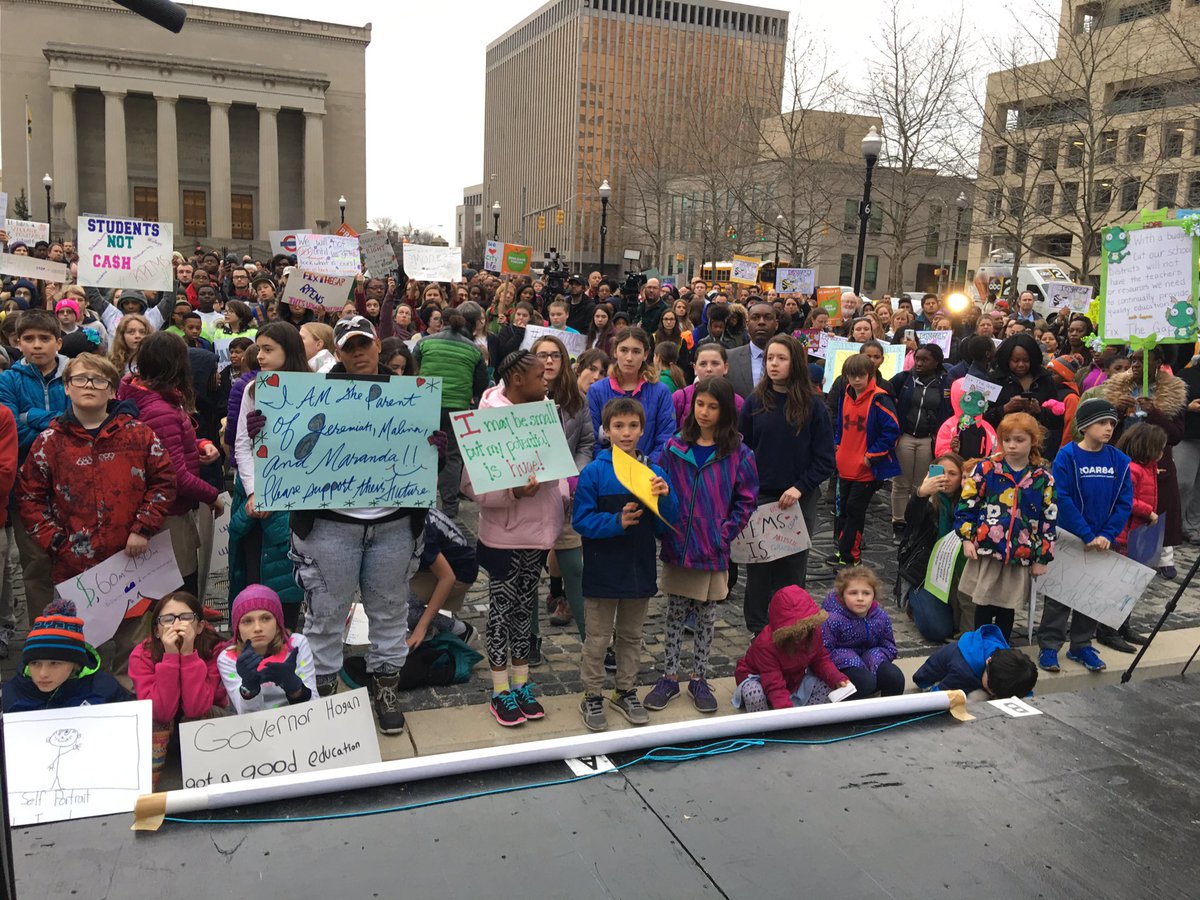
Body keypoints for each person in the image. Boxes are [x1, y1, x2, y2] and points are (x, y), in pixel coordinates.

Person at [281, 316, 426, 734]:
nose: (359, 352)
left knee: (390, 614)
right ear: (337, 352)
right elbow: (290, 448)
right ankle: (326, 703)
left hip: (394, 525)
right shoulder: (311, 395)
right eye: (350, 347)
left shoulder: (408, 397)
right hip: (330, 527)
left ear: (379, 346)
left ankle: (385, 692)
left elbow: (424, 454)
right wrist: (267, 431)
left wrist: (433, 443)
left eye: (365, 344)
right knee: (325, 617)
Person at [19, 352, 177, 668]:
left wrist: (143, 527)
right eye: (80, 379)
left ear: (112, 390)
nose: (89, 385)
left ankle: (129, 692)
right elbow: (29, 498)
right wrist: (56, 542)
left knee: (133, 646)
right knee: (76, 646)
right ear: (67, 387)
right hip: (74, 566)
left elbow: (164, 481)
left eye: (98, 380)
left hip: (130, 559)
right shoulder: (49, 442)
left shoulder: (138, 434)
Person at [461, 350, 565, 726]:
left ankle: (521, 684)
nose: (546, 379)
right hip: (503, 537)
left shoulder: (544, 413)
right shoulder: (486, 420)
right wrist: (512, 492)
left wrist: (561, 495)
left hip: (538, 533)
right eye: (539, 375)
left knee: (525, 611)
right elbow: (471, 486)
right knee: (501, 614)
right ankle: (500, 690)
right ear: (518, 380)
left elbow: (557, 467)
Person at [644, 378, 757, 714]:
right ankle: (669, 676)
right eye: (700, 404)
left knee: (707, 616)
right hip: (679, 543)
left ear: (725, 411)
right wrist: (665, 525)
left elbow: (746, 499)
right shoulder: (675, 447)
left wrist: (725, 532)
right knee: (675, 613)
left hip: (712, 548)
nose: (704, 412)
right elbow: (659, 487)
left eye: (713, 406)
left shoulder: (738, 452)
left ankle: (699, 676)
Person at [574, 397, 677, 732]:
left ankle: (625, 690)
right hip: (602, 568)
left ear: (643, 430)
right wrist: (616, 521)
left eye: (633, 426)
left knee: (632, 635)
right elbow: (581, 520)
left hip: (638, 566)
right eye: (618, 426)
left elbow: (667, 524)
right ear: (606, 430)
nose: (626, 432)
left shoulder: (653, 472)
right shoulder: (594, 472)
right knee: (598, 637)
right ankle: (592, 694)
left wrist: (665, 497)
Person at [738, 335, 834, 633]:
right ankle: (758, 629)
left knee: (792, 568)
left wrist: (800, 487)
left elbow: (825, 460)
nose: (774, 364)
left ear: (795, 363)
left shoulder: (814, 406)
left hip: (798, 499)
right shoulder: (755, 402)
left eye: (781, 358)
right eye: (770, 358)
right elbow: (742, 450)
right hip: (761, 497)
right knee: (759, 568)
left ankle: (790, 627)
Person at [117, 332, 223, 598]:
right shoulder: (160, 410)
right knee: (179, 591)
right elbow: (176, 476)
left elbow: (166, 444)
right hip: (168, 514)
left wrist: (197, 444)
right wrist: (213, 496)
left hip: (156, 510)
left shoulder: (139, 393)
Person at [1033, 398, 1133, 672]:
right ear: (1085, 426)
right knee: (1060, 597)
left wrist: (1107, 534)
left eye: (1112, 423)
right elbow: (1062, 498)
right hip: (1070, 538)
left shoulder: (1119, 460)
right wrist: (1086, 533)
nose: (1109, 428)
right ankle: (1049, 646)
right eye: (1102, 422)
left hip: (1102, 542)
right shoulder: (1068, 456)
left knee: (1091, 596)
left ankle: (1081, 645)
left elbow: (1124, 502)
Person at [231, 323, 309, 629]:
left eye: (267, 349)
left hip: (297, 502)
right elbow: (241, 445)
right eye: (259, 348)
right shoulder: (254, 389)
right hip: (258, 503)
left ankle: (287, 639)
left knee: (290, 581)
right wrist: (255, 491)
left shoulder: (317, 389)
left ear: (289, 351)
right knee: (255, 576)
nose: (259, 356)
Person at [955, 413, 1057, 642]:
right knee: (983, 603)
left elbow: (1048, 519)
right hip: (988, 550)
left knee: (1006, 607)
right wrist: (967, 538)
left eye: (1019, 440)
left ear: (1033, 440)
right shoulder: (986, 469)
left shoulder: (1042, 478)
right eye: (1007, 439)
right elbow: (967, 504)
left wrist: (1042, 557)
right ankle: (981, 647)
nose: (1012, 445)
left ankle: (1000, 650)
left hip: (1019, 553)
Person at [0, 309, 68, 612]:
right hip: (26, 487)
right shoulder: (8, 379)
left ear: (58, 342)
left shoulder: (74, 375)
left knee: (75, 558)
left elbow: (79, 423)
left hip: (71, 482)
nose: (37, 345)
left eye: (44, 338)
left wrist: (32, 416)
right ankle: (42, 631)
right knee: (36, 564)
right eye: (28, 339)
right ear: (18, 342)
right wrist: (58, 424)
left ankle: (77, 629)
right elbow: (12, 429)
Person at [1102, 347, 1187, 580]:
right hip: (1123, 457)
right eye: (1134, 359)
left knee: (1159, 504)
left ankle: (1164, 555)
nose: (1136, 364)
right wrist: (1118, 410)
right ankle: (1118, 546)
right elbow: (1105, 428)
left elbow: (1176, 435)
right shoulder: (1118, 387)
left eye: (1143, 360)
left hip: (1156, 460)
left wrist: (1154, 412)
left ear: (1158, 362)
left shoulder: (1173, 391)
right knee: (1124, 502)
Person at [530, 335, 594, 639]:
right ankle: (529, 639)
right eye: (542, 355)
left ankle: (590, 642)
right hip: (528, 496)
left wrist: (575, 475)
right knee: (528, 573)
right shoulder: (519, 397)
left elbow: (586, 443)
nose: (548, 361)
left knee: (575, 568)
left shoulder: (577, 400)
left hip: (566, 495)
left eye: (555, 355)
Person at [128, 591, 228, 785]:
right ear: (157, 630)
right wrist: (171, 656)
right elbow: (160, 712)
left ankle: (208, 779)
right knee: (154, 720)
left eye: (186, 618)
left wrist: (189, 653)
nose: (176, 625)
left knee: (198, 716)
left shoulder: (215, 648)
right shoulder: (141, 654)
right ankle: (148, 786)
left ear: (199, 626)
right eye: (167, 619)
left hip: (207, 718)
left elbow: (196, 708)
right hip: (163, 722)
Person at [413, 303, 488, 519]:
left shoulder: (425, 343)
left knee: (422, 451)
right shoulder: (473, 349)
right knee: (452, 456)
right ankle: (450, 506)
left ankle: (418, 501)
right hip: (457, 407)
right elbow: (481, 383)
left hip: (426, 404)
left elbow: (411, 370)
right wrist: (468, 394)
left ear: (442, 323)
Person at [831, 353, 901, 567]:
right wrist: (837, 446)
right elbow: (840, 425)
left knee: (854, 511)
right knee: (842, 511)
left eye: (861, 375)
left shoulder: (880, 399)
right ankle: (843, 551)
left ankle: (851, 556)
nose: (856, 380)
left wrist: (871, 456)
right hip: (844, 465)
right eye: (851, 375)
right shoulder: (845, 394)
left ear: (870, 374)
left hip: (864, 469)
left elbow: (892, 431)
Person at [1102, 424, 1168, 651]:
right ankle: (1107, 630)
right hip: (1125, 535)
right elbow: (1125, 499)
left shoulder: (1149, 468)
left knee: (1132, 583)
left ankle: (1123, 624)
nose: (1162, 452)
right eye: (1160, 448)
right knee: (1118, 584)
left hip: (1138, 535)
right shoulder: (1132, 469)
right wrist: (1147, 512)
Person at [732, 586, 850, 711]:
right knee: (754, 694)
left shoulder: (813, 633)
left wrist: (837, 678)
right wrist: (786, 712)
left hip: (792, 679)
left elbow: (821, 660)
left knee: (826, 687)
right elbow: (773, 682)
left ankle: (804, 717)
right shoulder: (766, 645)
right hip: (759, 678)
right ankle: (765, 720)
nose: (801, 635)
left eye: (804, 629)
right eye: (794, 631)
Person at [2, 599, 130, 712]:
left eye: (54, 663)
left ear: (75, 663)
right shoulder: (9, 695)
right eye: (35, 663)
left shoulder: (106, 691)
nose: (43, 673)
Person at [898, 453, 970, 642]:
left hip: (959, 572)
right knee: (937, 630)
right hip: (926, 575)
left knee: (967, 624)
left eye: (953, 474)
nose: (946, 478)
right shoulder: (929, 501)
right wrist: (921, 494)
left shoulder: (970, 503)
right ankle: (914, 603)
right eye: (941, 472)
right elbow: (911, 519)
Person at [889, 344, 953, 544]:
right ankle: (898, 523)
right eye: (917, 358)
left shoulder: (945, 383)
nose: (919, 363)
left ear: (936, 362)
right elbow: (884, 391)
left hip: (929, 439)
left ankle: (916, 522)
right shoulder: (904, 379)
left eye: (925, 360)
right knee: (901, 482)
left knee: (922, 484)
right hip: (905, 436)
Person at [219, 585, 316, 713]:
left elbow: (315, 708)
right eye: (247, 621)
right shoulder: (227, 659)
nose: (257, 628)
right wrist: (249, 689)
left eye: (266, 618)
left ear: (278, 622)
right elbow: (245, 715)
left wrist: (295, 687)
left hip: (297, 720)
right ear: (237, 629)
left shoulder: (297, 645)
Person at [586, 326, 676, 459]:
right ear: (615, 352)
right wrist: (608, 465)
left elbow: (666, 437)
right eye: (623, 350)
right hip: (607, 467)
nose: (629, 358)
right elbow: (591, 438)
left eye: (636, 351)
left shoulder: (660, 392)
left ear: (645, 354)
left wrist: (647, 465)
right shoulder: (596, 391)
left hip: (647, 468)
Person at [821, 566, 903, 697]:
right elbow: (823, 653)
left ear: (873, 595)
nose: (860, 598)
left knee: (894, 677)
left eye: (866, 593)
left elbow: (888, 646)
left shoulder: (880, 617)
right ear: (842, 595)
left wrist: (873, 657)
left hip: (872, 660)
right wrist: (848, 659)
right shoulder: (831, 619)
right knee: (865, 682)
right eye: (853, 593)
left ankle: (888, 709)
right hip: (843, 666)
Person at [912, 624, 1038, 697]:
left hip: (974, 673)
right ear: (988, 661)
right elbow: (939, 696)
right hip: (932, 680)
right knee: (979, 698)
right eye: (991, 689)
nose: (993, 693)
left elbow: (1019, 682)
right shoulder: (963, 672)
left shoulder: (1003, 655)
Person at [726, 302, 778, 399]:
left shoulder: (790, 358)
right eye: (755, 318)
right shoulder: (729, 358)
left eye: (768, 318)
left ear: (776, 324)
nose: (761, 322)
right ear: (747, 324)